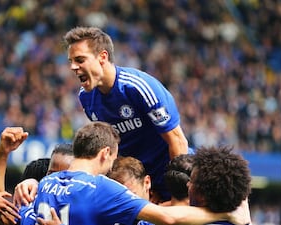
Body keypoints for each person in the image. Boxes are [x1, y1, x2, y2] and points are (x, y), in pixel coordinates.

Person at [27, 121, 250, 225]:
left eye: (193, 181)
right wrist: (229, 214)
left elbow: (167, 217)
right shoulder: (101, 189)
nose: (188, 185)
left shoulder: (47, 183)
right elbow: (166, 215)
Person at [63, 26, 189, 202]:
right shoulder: (86, 98)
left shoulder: (138, 87)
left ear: (102, 57)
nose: (73, 67)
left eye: (80, 60)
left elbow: (178, 141)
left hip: (170, 174)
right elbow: (113, 149)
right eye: (71, 61)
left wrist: (178, 196)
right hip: (137, 182)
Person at [188, 146, 252, 225]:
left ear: (203, 197)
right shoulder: (241, 220)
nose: (187, 184)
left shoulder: (186, 220)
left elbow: (168, 217)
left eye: (191, 181)